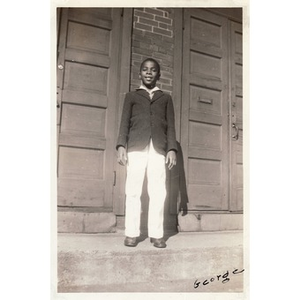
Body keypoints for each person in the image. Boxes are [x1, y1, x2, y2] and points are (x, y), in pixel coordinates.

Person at [116, 58, 177, 248]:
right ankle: (132, 233)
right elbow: (124, 122)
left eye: (153, 70)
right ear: (140, 73)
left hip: (158, 148)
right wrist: (121, 145)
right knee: (133, 190)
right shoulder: (132, 96)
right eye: (145, 70)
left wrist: (172, 149)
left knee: (158, 190)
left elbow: (171, 127)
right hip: (136, 147)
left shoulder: (165, 98)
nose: (149, 73)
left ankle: (157, 234)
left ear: (158, 74)